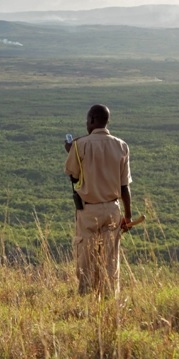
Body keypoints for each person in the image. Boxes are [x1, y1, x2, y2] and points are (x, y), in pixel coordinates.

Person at [64, 104, 133, 296]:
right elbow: (124, 187)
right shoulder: (121, 145)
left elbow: (74, 177)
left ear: (93, 120)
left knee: (86, 259)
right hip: (113, 209)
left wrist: (70, 151)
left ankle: (86, 299)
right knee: (110, 261)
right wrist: (127, 216)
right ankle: (109, 299)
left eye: (87, 120)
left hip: (89, 210)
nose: (87, 123)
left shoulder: (80, 145)